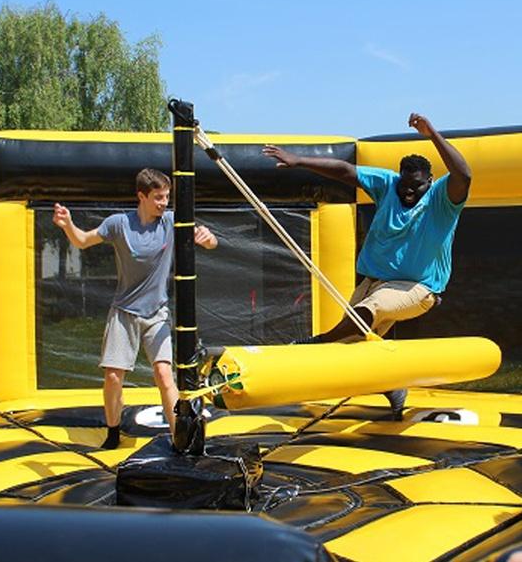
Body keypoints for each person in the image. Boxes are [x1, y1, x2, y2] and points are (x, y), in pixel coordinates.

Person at [263, 113, 472, 418]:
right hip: (374, 280)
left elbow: (464, 174)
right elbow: (346, 170)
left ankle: (317, 342)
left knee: (366, 313)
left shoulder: (442, 198)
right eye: (404, 185)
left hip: (417, 288)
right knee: (357, 348)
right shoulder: (389, 185)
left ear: (430, 182)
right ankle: (393, 385)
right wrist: (298, 160)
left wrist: (432, 134)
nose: (408, 192)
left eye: (416, 186)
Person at [52, 168, 217, 449]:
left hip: (157, 313)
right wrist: (67, 224)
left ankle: (180, 438)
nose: (164, 202)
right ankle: (113, 432)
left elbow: (212, 242)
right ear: (141, 196)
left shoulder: (171, 222)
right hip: (125, 312)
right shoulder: (119, 224)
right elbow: (82, 241)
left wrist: (207, 237)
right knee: (114, 376)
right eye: (158, 197)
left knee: (165, 375)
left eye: (167, 197)